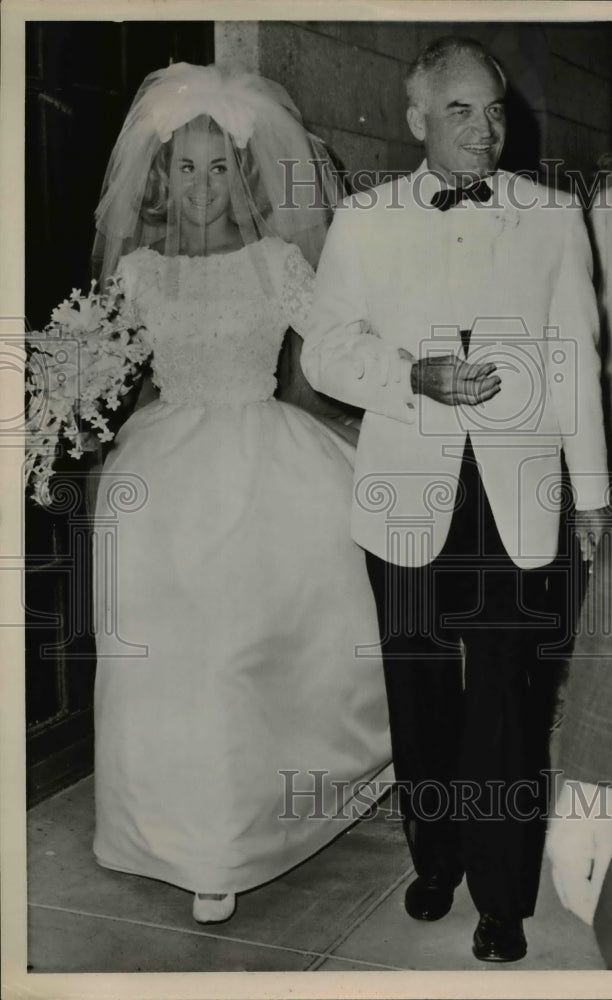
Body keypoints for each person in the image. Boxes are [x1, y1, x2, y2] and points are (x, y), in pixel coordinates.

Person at [302, 37, 610, 962]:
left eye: (497, 111)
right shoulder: (365, 219)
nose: (486, 131)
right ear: (416, 119)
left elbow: (575, 366)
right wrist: (411, 377)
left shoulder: (554, 215)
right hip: (404, 494)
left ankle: (505, 894)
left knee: (508, 704)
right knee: (422, 691)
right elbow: (322, 353)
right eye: (462, 111)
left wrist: (590, 495)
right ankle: (435, 859)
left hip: (520, 495)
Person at [90, 62, 390, 925]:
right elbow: (116, 375)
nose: (202, 186)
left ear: (244, 173)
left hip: (262, 464)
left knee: (236, 658)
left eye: (219, 167)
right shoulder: (140, 272)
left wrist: (399, 393)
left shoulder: (274, 262)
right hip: (163, 470)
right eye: (185, 167)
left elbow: (339, 342)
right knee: (159, 660)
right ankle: (159, 828)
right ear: (160, 176)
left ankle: (225, 847)